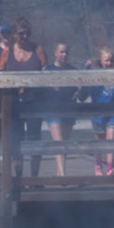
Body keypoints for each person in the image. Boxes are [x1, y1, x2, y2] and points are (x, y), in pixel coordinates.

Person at [0, 16, 47, 175]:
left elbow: (46, 73)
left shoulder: (37, 49)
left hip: (33, 101)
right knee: (15, 139)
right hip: (13, 101)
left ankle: (34, 179)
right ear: (15, 35)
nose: (25, 37)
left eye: (28, 33)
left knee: (34, 138)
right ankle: (17, 177)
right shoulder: (7, 51)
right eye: (22, 33)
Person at [84, 47, 114, 176]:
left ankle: (110, 168)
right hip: (98, 113)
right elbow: (83, 80)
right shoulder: (95, 76)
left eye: (111, 61)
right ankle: (97, 165)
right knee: (99, 141)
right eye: (106, 60)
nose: (109, 63)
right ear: (101, 61)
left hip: (113, 113)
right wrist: (87, 68)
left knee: (111, 140)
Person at [43, 41, 76, 177]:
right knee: (59, 141)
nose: (64, 55)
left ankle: (60, 170)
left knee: (65, 144)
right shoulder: (48, 70)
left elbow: (79, 91)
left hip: (68, 109)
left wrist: (78, 92)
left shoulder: (73, 71)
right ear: (55, 53)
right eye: (61, 52)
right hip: (53, 109)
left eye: (66, 52)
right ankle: (62, 174)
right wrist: (51, 90)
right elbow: (41, 91)